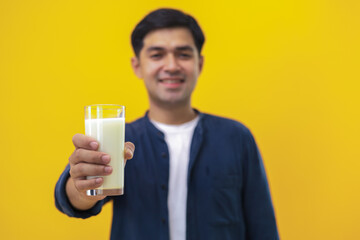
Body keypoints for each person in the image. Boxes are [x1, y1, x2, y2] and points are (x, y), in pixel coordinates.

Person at [55, 8, 279, 240]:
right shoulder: (120, 138)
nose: (171, 65)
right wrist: (82, 187)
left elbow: (262, 226)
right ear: (137, 66)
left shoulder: (236, 137)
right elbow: (70, 199)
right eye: (157, 55)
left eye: (183, 54)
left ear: (199, 64)